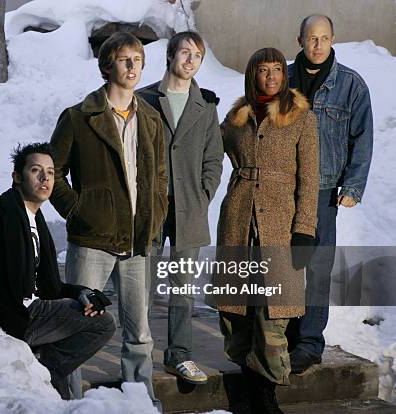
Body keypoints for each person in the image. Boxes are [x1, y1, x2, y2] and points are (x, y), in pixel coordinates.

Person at [0, 142, 116, 400]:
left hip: (33, 313)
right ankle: (45, 371)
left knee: (96, 324)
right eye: (36, 170)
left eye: (50, 172)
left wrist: (83, 293)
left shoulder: (38, 223)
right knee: (102, 325)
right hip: (9, 315)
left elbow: (52, 287)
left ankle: (43, 372)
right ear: (17, 176)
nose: (45, 177)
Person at [49, 32, 168, 408]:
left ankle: (139, 402)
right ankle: (69, 401)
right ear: (106, 66)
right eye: (123, 59)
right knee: (76, 326)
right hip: (92, 241)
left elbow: (160, 176)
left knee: (140, 333)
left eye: (137, 58)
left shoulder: (150, 119)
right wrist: (78, 211)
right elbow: (53, 172)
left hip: (137, 241)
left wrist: (157, 212)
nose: (132, 66)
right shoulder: (78, 118)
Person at [216, 48, 319, 413]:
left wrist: (304, 229)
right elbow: (208, 155)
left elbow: (309, 179)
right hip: (239, 220)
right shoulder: (235, 118)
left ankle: (265, 391)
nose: (272, 76)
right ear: (252, 74)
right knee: (236, 311)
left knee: (274, 314)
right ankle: (246, 377)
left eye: (277, 69)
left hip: (280, 225)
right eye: (264, 70)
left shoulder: (301, 118)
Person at [286, 14, 374, 374]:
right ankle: (285, 335)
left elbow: (363, 138)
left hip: (322, 190)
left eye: (324, 38)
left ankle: (309, 343)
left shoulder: (350, 85)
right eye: (311, 38)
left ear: (333, 39)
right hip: (284, 187)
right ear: (300, 39)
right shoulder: (283, 77)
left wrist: (352, 186)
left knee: (317, 267)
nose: (318, 45)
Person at [138, 31, 223, 384]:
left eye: (197, 56)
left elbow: (213, 158)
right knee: (140, 284)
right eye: (185, 53)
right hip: (152, 208)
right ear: (171, 56)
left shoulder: (205, 106)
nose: (190, 60)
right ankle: (138, 353)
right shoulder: (143, 100)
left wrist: (204, 193)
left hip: (190, 208)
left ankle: (179, 355)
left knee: (183, 287)